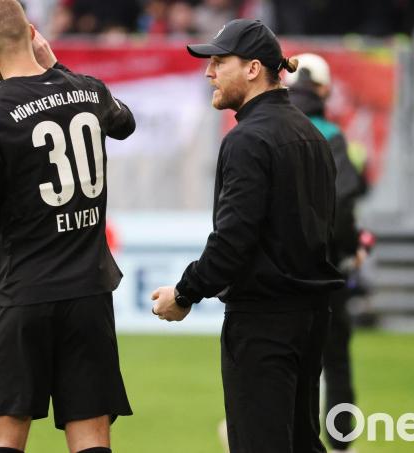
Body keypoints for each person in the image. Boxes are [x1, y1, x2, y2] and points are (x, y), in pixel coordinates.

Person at [0, 1, 135, 452]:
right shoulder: (87, 90)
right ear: (33, 33)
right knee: (92, 437)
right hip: (89, 295)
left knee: (4, 436)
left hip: (23, 294)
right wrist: (58, 68)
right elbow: (124, 123)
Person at [150, 19, 344, 453]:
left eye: (219, 62)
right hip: (311, 316)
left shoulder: (248, 139)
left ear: (253, 68)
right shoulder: (312, 135)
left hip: (264, 322)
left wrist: (183, 293)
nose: (209, 72)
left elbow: (233, 241)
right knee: (301, 443)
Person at [285, 53, 369, 453]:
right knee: (334, 361)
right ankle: (339, 442)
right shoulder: (332, 135)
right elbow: (343, 203)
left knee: (281, 363)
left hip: (275, 271)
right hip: (325, 269)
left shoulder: (268, 129)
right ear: (323, 89)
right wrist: (352, 248)